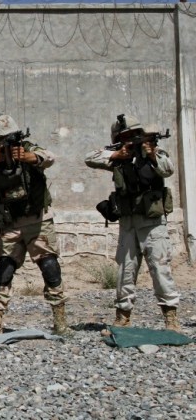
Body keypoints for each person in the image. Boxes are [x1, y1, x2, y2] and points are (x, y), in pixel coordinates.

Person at [0, 114, 68, 336]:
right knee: (4, 269)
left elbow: (49, 158)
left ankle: (60, 320)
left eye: (4, 139)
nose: (1, 144)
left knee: (50, 267)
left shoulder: (29, 149)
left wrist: (29, 157)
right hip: (11, 224)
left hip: (39, 221)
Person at [85, 114, 181, 331]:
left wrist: (152, 155)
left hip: (152, 222)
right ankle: (123, 317)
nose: (130, 139)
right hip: (127, 222)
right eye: (125, 136)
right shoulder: (119, 156)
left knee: (160, 268)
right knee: (125, 270)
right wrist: (117, 154)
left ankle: (171, 319)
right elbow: (89, 158)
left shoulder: (155, 152)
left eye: (133, 134)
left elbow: (168, 169)